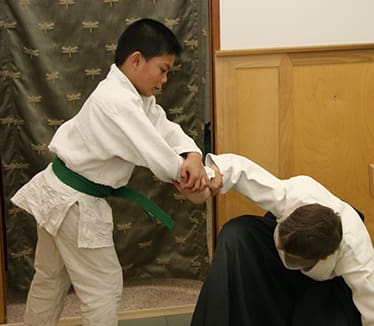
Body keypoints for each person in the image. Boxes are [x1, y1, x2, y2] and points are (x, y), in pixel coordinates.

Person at [11, 18, 210, 326]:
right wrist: (195, 179)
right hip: (73, 203)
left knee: (50, 280)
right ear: (136, 60)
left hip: (60, 194)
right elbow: (156, 153)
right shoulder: (116, 101)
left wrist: (193, 154)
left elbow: (163, 128)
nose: (164, 80)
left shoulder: (133, 96)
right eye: (163, 69)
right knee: (103, 288)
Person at [180, 153, 374, 326]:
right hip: (284, 252)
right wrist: (211, 176)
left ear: (323, 258)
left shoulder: (358, 258)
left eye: (287, 253)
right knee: (236, 236)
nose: (282, 251)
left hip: (329, 287)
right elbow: (244, 173)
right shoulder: (297, 195)